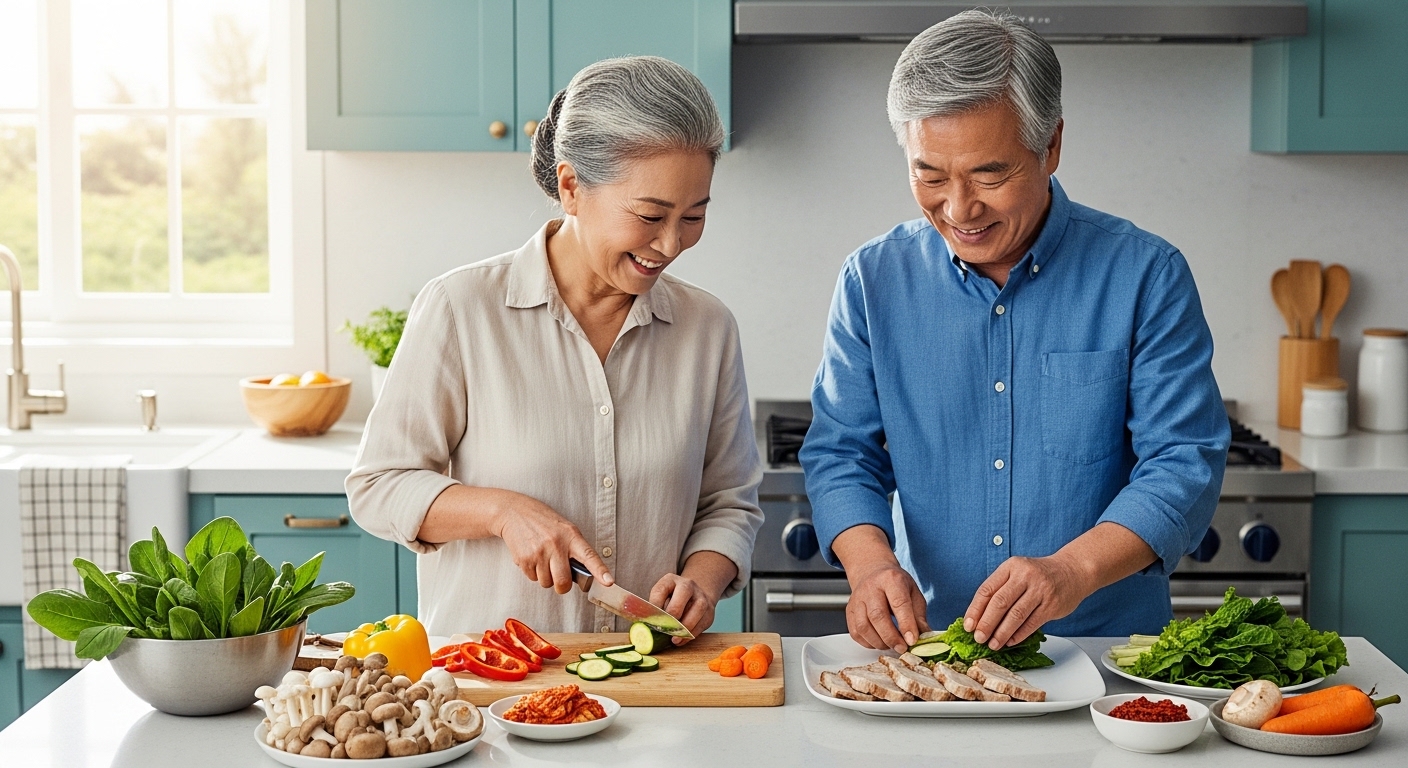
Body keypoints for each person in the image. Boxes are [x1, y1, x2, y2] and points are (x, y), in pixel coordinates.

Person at [799, 10, 1231, 656]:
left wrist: (1073, 571)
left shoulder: (1147, 274)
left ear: (1051, 146)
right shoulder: (872, 279)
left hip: (1106, 651)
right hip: (931, 654)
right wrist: (870, 566)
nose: (959, 208)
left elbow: (1182, 460)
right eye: (930, 174)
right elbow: (841, 452)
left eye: (989, 175)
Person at [347, 56, 763, 642]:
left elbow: (730, 504)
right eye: (649, 215)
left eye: (693, 216)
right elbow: (378, 486)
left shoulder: (707, 328)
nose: (671, 244)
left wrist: (704, 576)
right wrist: (501, 512)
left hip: (653, 682)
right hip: (495, 681)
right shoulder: (462, 309)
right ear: (571, 187)